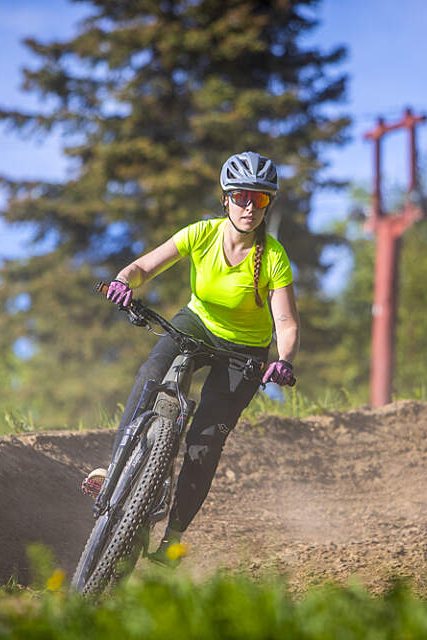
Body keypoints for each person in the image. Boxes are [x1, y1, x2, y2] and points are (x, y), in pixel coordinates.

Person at [82, 150, 300, 565]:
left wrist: (284, 360)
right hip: (196, 324)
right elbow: (143, 267)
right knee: (150, 372)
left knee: (205, 442)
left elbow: (286, 321)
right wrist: (122, 282)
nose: (249, 207)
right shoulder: (201, 234)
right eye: (241, 197)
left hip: (246, 352)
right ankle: (115, 470)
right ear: (225, 199)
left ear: (268, 204)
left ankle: (173, 538)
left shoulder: (273, 257)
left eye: (260, 199)